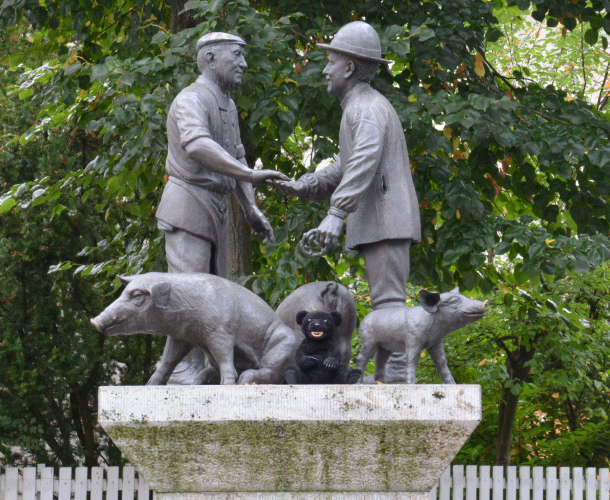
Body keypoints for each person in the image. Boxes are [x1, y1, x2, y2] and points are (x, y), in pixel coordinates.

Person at [274, 21, 421, 383]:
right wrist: (307, 184)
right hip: (382, 216)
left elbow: (363, 161)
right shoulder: (360, 107)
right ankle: (389, 374)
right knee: (385, 302)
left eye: (332, 61)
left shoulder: (366, 108)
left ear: (350, 68)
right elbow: (347, 163)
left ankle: (397, 376)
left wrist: (335, 214)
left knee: (389, 303)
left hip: (387, 217)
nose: (325, 69)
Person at [155, 32, 288, 384]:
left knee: (214, 296)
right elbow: (197, 144)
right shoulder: (191, 99)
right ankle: (182, 371)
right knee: (188, 293)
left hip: (218, 209)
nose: (244, 64)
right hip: (188, 204)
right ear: (211, 58)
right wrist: (248, 174)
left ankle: (214, 367)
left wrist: (249, 207)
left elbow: (237, 154)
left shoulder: (227, 103)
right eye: (238, 56)